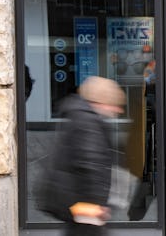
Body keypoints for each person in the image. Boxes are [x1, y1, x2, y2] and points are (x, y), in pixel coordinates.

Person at [40, 76, 126, 235]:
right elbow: (90, 164)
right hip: (86, 206)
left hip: (78, 202)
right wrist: (97, 205)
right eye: (115, 105)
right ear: (103, 101)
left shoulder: (80, 116)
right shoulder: (89, 123)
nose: (118, 110)